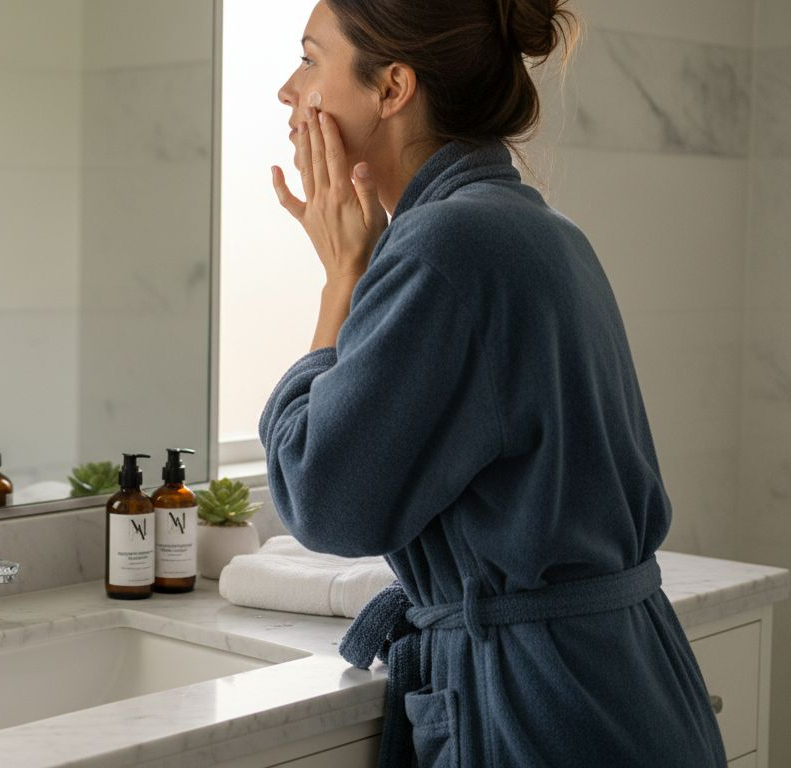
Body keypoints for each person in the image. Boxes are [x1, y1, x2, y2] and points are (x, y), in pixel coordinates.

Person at [258, 1, 725, 765]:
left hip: (541, 709)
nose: (288, 89)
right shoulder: (534, 228)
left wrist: (342, 279)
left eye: (310, 58)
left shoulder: (449, 247)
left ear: (393, 87)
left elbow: (324, 498)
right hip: (622, 680)